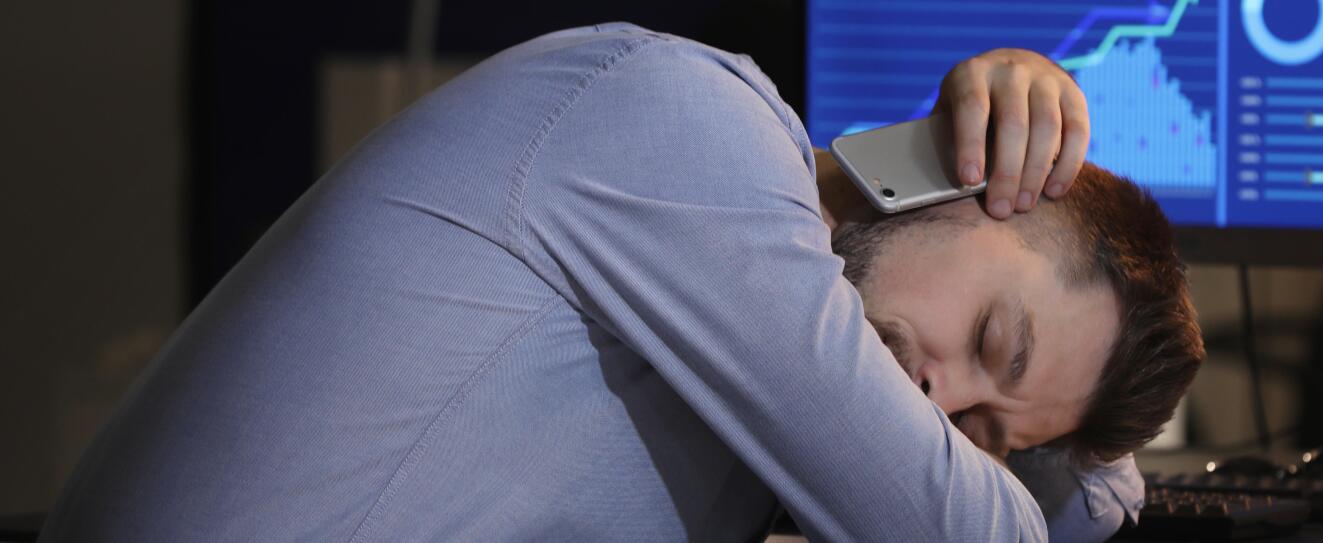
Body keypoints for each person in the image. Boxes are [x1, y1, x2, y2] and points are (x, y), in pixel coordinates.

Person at [41, 23, 1201, 542]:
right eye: (990, 343)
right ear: (966, 170)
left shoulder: (767, 408)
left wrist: (1068, 430)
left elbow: (1086, 502)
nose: (935, 409)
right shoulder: (685, 126)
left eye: (984, 435)